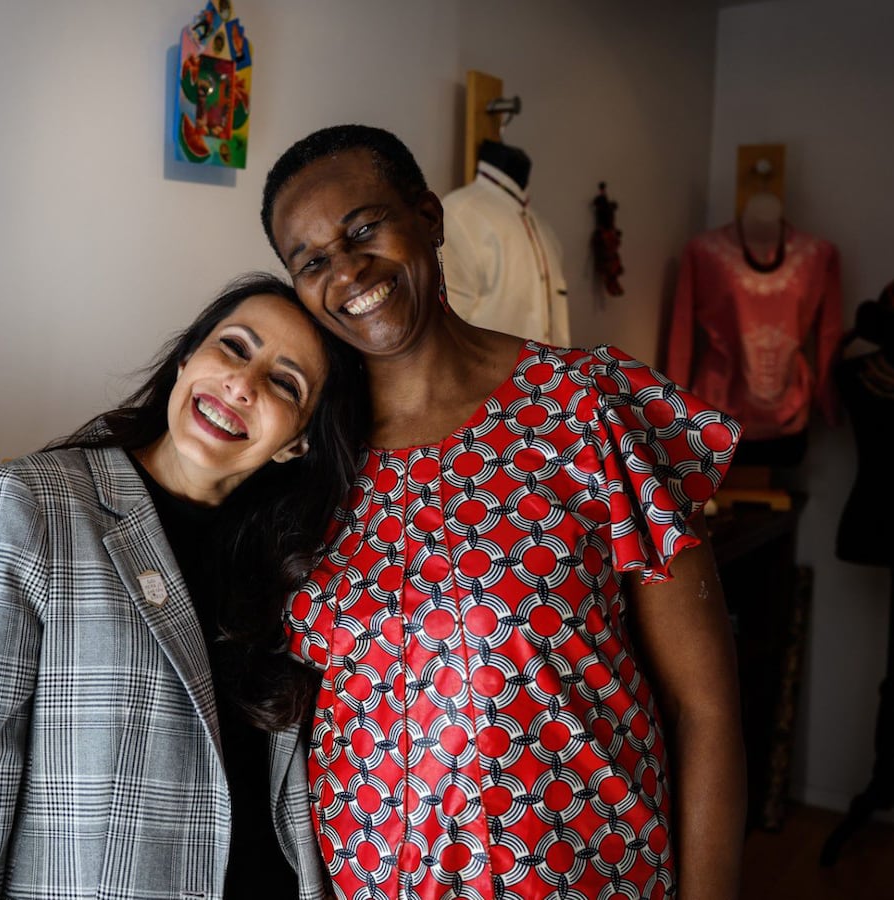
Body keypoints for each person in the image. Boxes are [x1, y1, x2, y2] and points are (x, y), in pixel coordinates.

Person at [261, 125, 746, 900]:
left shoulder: (586, 407)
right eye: (312, 260)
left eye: (364, 228)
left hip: (590, 876)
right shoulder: (305, 472)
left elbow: (706, 707)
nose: (347, 270)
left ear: (429, 216)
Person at [0, 274, 370, 900]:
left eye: (285, 383)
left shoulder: (297, 562)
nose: (241, 384)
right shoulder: (29, 506)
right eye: (234, 347)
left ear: (297, 442)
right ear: (186, 359)